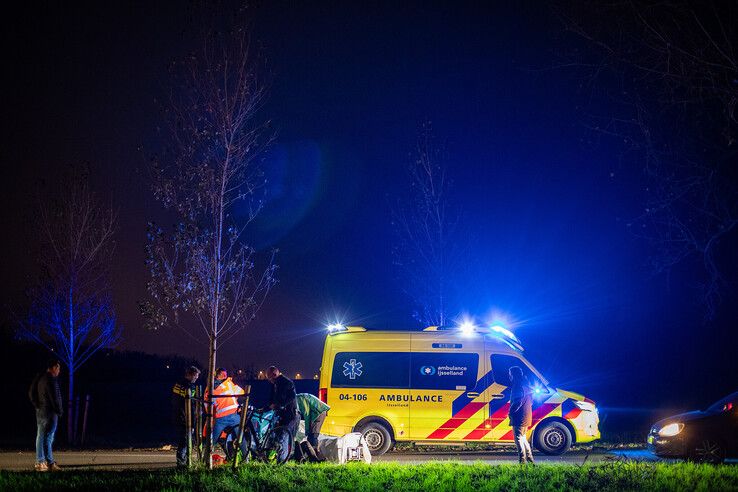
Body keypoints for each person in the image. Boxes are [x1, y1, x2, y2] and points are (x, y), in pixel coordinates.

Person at [28, 359, 63, 472]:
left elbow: (31, 392)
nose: (59, 371)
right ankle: (45, 462)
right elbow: (55, 398)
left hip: (40, 411)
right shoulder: (51, 380)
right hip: (50, 412)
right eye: (58, 368)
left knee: (41, 436)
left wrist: (37, 404)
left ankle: (44, 461)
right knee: (48, 437)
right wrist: (59, 410)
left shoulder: (40, 378)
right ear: (54, 367)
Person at [205, 368, 245, 453]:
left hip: (220, 417)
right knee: (240, 437)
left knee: (213, 439)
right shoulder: (229, 384)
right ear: (220, 375)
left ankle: (205, 459)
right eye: (224, 374)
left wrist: (211, 416)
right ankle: (246, 458)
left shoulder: (210, 388)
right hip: (233, 415)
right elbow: (242, 392)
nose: (225, 376)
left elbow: (207, 405)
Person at [172, 365, 200, 468]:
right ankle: (181, 463)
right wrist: (184, 417)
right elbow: (181, 403)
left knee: (188, 440)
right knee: (184, 441)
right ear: (189, 375)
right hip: (184, 418)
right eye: (195, 376)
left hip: (187, 417)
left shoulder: (186, 385)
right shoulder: (183, 386)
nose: (196, 379)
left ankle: (187, 462)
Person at [508, 366, 534, 464]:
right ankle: (530, 458)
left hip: (519, 416)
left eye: (510, 374)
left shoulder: (517, 386)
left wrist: (511, 412)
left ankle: (522, 461)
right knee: (523, 437)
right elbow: (531, 401)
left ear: (513, 375)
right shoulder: (526, 385)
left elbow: (517, 402)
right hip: (527, 415)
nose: (509, 376)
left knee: (518, 439)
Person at [266, 366, 299, 438]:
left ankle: (284, 448)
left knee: (284, 436)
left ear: (274, 375)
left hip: (288, 414)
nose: (269, 380)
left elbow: (291, 397)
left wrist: (280, 405)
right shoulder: (275, 384)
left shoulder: (286, 383)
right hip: (281, 413)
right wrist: (268, 406)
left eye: (269, 378)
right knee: (278, 434)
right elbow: (272, 398)